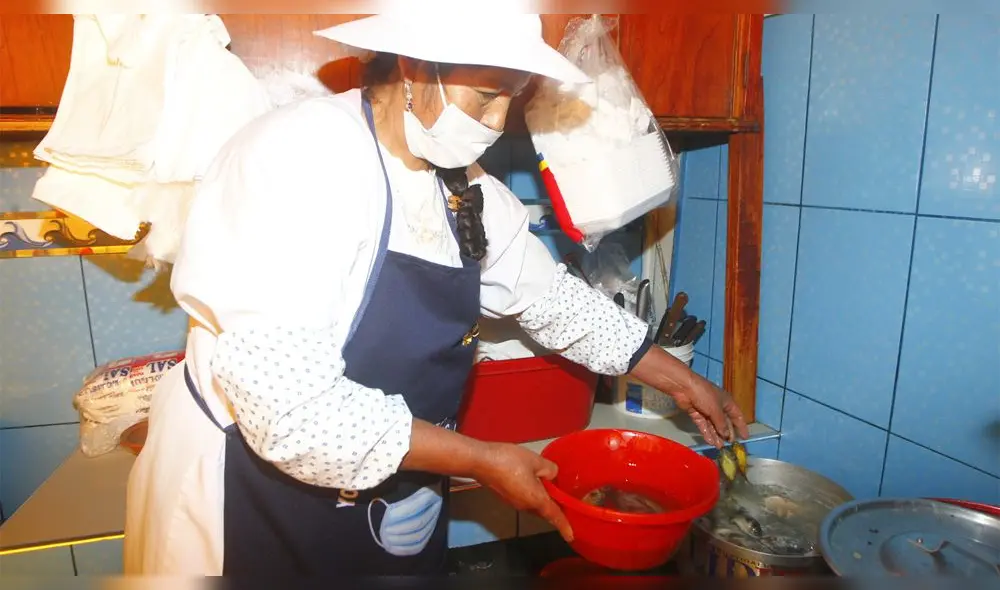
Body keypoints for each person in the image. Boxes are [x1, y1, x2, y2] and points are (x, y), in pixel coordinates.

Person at [123, 13, 749, 576]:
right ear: (416, 68)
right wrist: (478, 458)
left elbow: (551, 300)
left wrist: (677, 378)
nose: (499, 122)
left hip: (393, 481)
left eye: (515, 97)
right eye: (485, 95)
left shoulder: (462, 186)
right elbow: (293, 414)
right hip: (251, 489)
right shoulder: (299, 157)